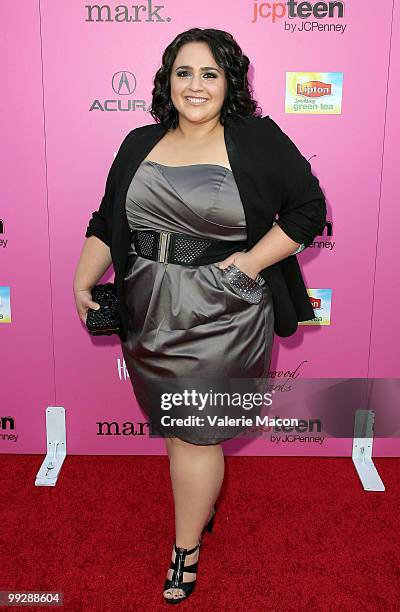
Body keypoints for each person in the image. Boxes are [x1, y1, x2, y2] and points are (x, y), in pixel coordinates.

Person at [73, 28, 327, 604]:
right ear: (167, 80)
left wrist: (248, 265)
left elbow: (309, 210)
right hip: (148, 305)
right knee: (181, 431)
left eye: (210, 73)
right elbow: (108, 214)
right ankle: (200, 504)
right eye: (183, 72)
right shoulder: (139, 141)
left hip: (223, 310)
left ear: (230, 81)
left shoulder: (257, 140)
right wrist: (84, 275)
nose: (195, 85)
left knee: (193, 435)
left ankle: (185, 547)